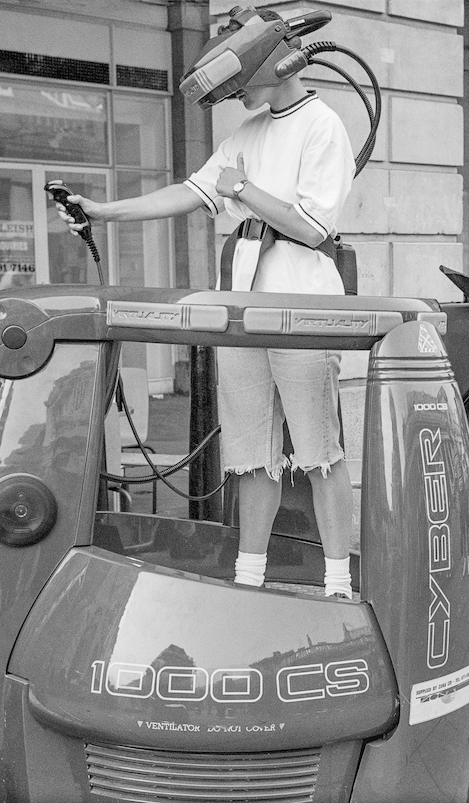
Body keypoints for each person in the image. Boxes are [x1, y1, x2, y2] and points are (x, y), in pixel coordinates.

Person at [56, 12, 357, 598]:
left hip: (300, 308)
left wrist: (241, 189)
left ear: (275, 66)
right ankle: (248, 578)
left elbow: (316, 227)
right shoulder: (245, 133)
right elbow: (189, 191)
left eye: (244, 82)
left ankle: (338, 584)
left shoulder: (323, 127)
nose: (239, 95)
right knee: (250, 455)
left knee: (320, 451)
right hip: (241, 310)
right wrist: (106, 212)